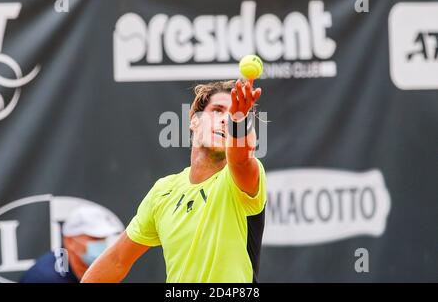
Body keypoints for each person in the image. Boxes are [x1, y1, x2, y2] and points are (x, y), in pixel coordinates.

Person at [82, 79, 266, 283]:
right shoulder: (163, 191)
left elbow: (241, 159)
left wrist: (239, 120)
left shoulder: (239, 178)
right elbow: (117, 260)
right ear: (194, 121)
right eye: (217, 110)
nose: (226, 119)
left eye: (232, 114)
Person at [20, 205, 123, 283]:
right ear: (70, 241)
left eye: (103, 239)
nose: (101, 244)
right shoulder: (44, 277)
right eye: (94, 238)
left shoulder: (100, 272)